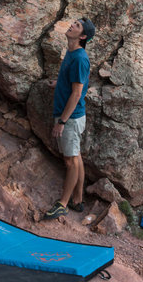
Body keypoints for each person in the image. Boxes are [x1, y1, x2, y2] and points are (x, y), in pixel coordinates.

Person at [44, 17, 96, 220]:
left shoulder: (80, 58)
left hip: (71, 118)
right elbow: (73, 80)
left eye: (77, 25)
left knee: (70, 161)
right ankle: (77, 199)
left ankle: (63, 204)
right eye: (74, 22)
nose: (72, 25)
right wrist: (59, 83)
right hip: (71, 116)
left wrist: (62, 122)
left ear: (82, 36)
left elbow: (77, 93)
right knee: (76, 157)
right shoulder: (71, 51)